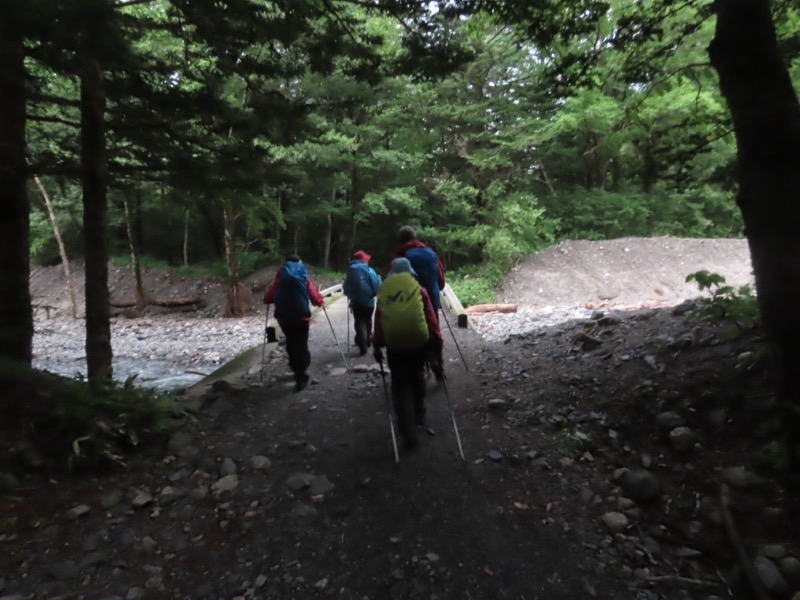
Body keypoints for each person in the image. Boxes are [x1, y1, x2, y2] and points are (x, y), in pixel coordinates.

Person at [373, 258, 444, 449]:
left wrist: (377, 345)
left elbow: (379, 322)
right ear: (410, 273)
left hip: (395, 344)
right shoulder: (419, 291)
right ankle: (419, 413)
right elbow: (430, 319)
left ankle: (406, 426)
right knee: (417, 375)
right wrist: (437, 343)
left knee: (400, 383)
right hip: (418, 341)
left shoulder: (384, 293)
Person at [390, 225, 446, 380]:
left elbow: (392, 282)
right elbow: (441, 280)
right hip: (432, 299)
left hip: (407, 304)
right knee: (434, 331)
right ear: (415, 237)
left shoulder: (399, 257)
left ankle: (418, 371)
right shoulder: (430, 253)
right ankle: (438, 365)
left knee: (414, 335)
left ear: (400, 240)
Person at [263, 254, 325, 391]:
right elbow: (313, 295)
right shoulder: (303, 278)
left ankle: (297, 371)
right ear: (300, 263)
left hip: (284, 318)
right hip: (301, 317)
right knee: (301, 345)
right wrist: (320, 302)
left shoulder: (280, 280)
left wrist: (271, 300)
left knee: (291, 344)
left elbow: (267, 298)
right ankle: (301, 373)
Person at [342, 250, 381, 355]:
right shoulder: (370, 270)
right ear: (363, 260)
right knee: (368, 320)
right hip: (369, 302)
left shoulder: (350, 271)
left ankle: (361, 342)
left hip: (356, 302)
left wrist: (348, 293)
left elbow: (346, 287)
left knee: (359, 321)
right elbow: (378, 285)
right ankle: (368, 340)